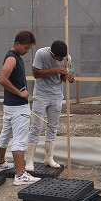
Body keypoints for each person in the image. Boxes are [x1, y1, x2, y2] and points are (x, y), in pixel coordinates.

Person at [0, 30, 41, 185]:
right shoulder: (12, 58)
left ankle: (0, 164)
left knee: (5, 135)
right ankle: (20, 175)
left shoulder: (15, 57)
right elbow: (2, 79)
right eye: (26, 48)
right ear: (18, 44)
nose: (27, 51)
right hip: (17, 107)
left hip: (9, 106)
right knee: (19, 141)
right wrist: (20, 93)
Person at [25, 40, 75, 172]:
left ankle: (49, 158)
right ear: (52, 54)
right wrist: (55, 70)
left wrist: (68, 77)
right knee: (36, 127)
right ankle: (29, 159)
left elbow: (65, 79)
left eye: (62, 58)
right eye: (58, 58)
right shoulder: (41, 53)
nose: (60, 60)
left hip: (57, 96)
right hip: (41, 95)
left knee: (53, 127)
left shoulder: (67, 58)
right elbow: (36, 74)